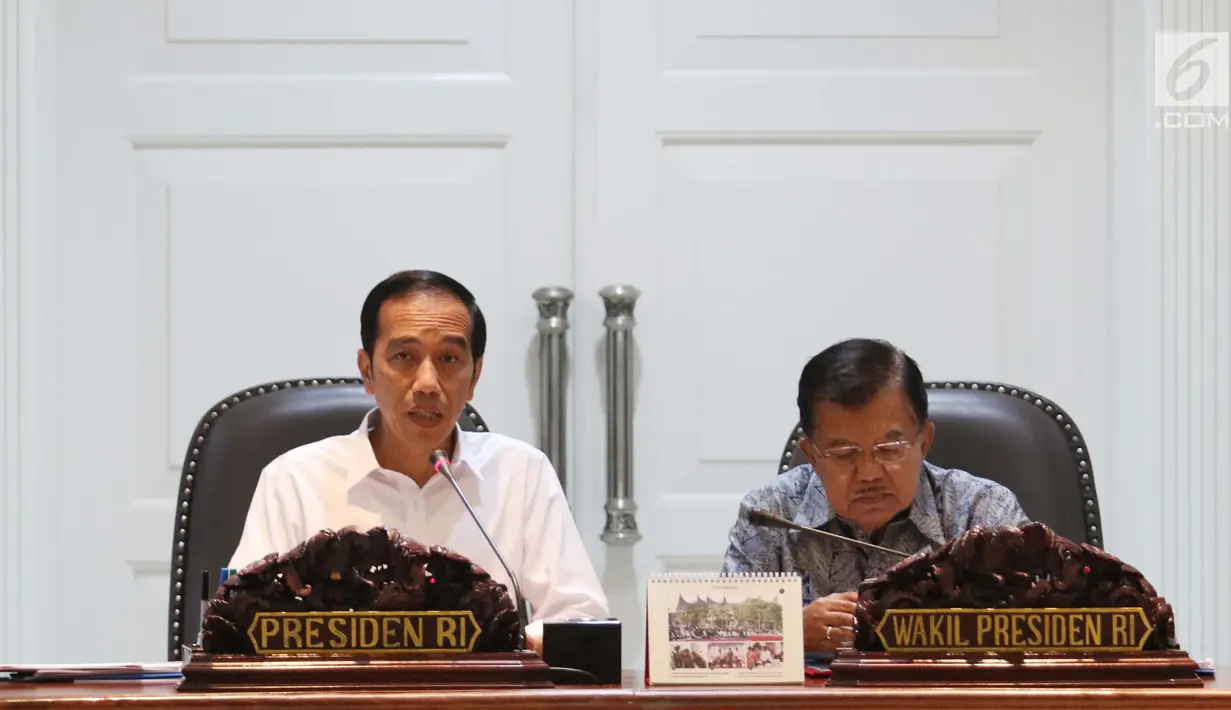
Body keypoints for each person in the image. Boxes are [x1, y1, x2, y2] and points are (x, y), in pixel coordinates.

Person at [228, 270, 610, 641]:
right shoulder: (294, 480)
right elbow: (241, 624)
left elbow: (580, 618)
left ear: (475, 375)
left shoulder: (521, 473)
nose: (427, 383)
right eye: (404, 357)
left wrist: (501, 644)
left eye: (448, 359)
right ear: (367, 370)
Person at [720, 338, 1029, 653]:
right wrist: (788, 633)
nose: (869, 473)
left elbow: (1038, 634)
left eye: (889, 449)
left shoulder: (983, 512)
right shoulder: (772, 515)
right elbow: (714, 638)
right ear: (812, 456)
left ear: (924, 442)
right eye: (843, 453)